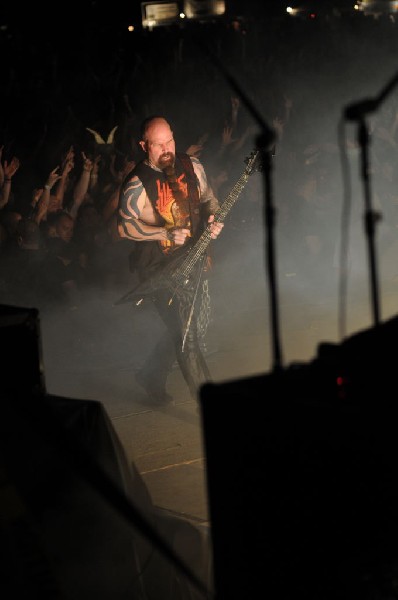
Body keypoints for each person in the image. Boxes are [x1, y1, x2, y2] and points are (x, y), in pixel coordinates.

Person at [117, 115, 224, 405]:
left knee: (192, 327)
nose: (167, 149)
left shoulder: (192, 166)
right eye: (158, 144)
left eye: (170, 141)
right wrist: (164, 231)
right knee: (188, 336)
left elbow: (209, 199)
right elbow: (125, 227)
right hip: (159, 270)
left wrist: (214, 219)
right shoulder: (137, 184)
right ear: (144, 146)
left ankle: (151, 374)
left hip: (193, 259)